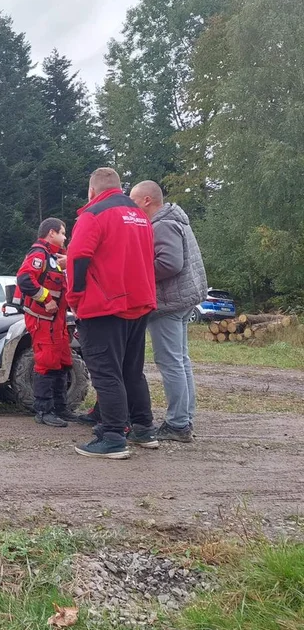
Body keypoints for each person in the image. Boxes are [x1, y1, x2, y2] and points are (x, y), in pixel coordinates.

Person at [67, 167, 158, 459]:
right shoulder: (141, 216)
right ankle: (144, 428)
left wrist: (75, 298)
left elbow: (77, 258)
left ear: (92, 191)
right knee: (131, 371)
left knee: (106, 373)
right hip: (139, 301)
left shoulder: (92, 215)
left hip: (104, 305)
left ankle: (113, 436)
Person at [130, 180, 207, 444]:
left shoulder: (162, 225)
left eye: (134, 200)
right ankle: (183, 419)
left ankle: (177, 424)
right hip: (183, 300)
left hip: (169, 303)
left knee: (171, 362)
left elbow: (170, 263)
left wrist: (137, 271)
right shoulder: (177, 220)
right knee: (181, 360)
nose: (132, 206)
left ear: (147, 201)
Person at [14, 218, 79, 427]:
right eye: (62, 233)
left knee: (62, 360)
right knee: (47, 361)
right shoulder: (39, 254)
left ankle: (61, 408)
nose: (65, 237)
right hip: (43, 319)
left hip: (57, 320)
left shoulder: (55, 258)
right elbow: (24, 279)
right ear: (51, 233)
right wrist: (46, 299)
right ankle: (43, 410)